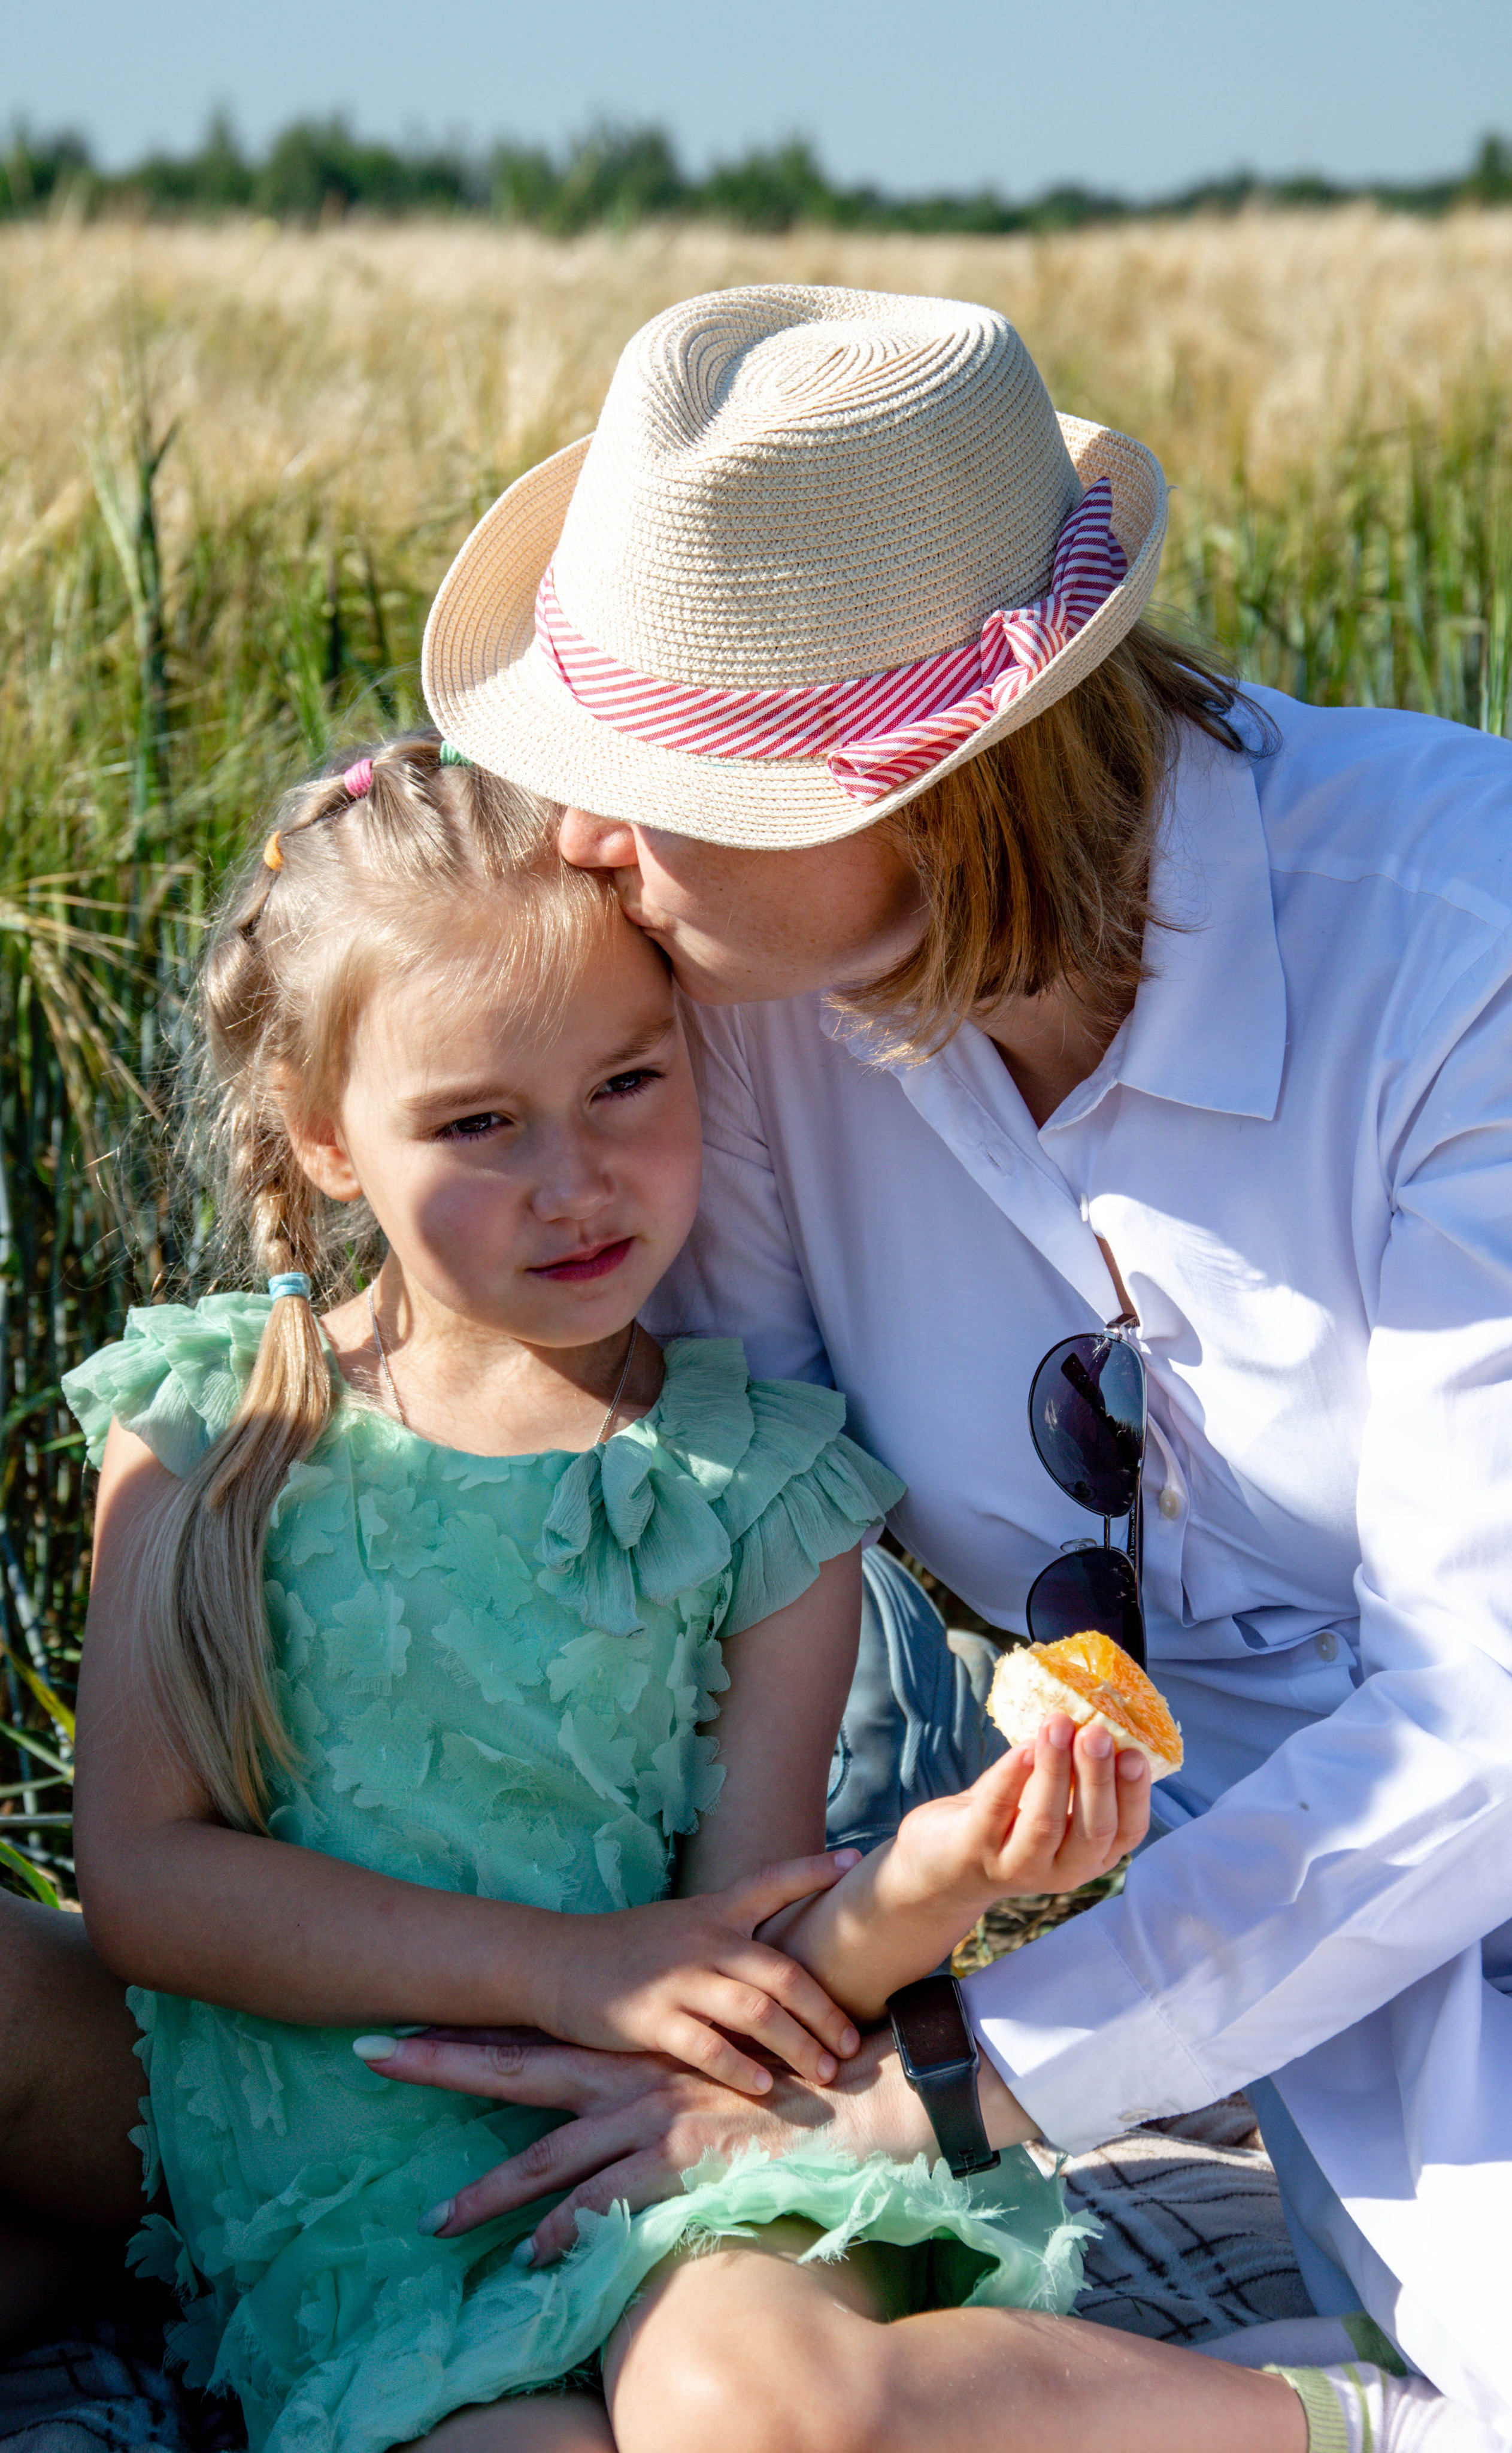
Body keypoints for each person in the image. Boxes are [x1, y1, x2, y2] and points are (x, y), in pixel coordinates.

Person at [394, 283, 1512, 2444]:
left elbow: (1483, 1713)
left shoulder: (1463, 957)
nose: (578, 844)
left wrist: (957, 2077)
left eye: (650, 780)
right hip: (1213, 1963)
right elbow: (679, 1482)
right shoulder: (747, 1011)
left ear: (917, 786)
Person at [56, 728, 1198, 2453]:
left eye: (626, 1084)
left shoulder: (758, 1482)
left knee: (737, 2408)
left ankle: (1317, 2410)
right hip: (369, 2212)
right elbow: (143, 1880)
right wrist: (560, 1967)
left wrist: (952, 1871)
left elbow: (756, 1951)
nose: (574, 1181)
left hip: (661, 2164)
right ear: (325, 1136)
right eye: (476, 1123)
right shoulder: (210, 1440)